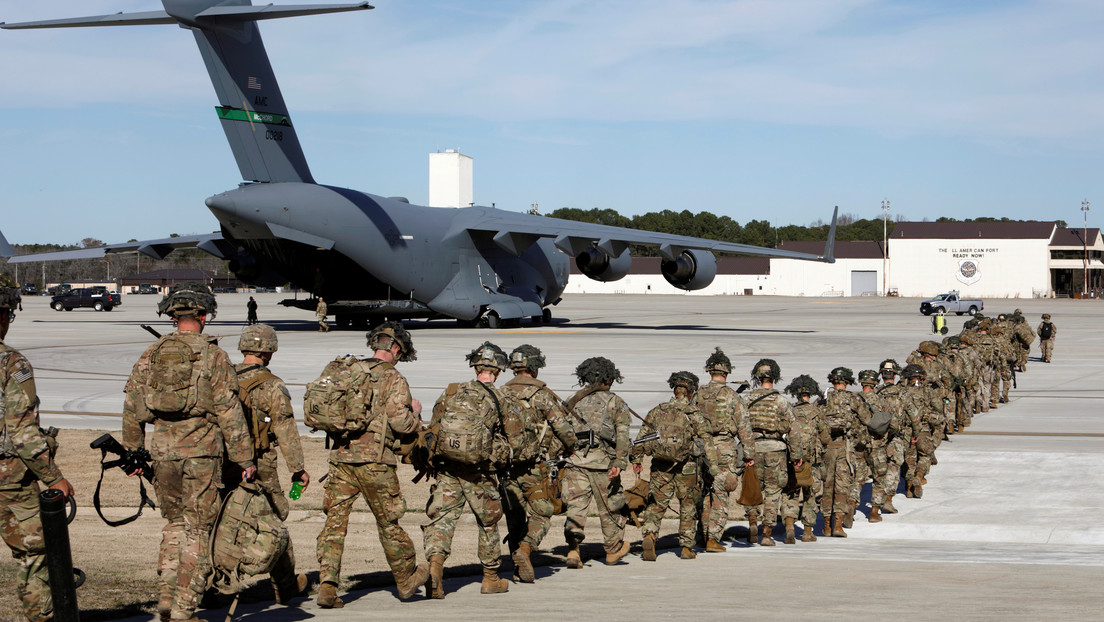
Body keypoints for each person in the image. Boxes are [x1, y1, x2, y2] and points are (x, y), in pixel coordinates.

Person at [122, 282, 256, 622]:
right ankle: (184, 611)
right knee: (198, 530)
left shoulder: (152, 354)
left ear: (172, 316)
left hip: (163, 451)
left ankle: (167, 598)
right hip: (202, 453)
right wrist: (245, 459)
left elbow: (131, 404)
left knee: (174, 525)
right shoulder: (214, 355)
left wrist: (134, 451)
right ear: (204, 316)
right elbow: (229, 411)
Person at [316, 322, 429, 607]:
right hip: (375, 462)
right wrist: (415, 414)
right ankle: (405, 580)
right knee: (389, 523)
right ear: (394, 348)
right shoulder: (393, 377)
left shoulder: (347, 370)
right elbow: (400, 423)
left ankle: (327, 586)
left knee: (334, 523)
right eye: (400, 352)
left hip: (341, 457)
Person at [0, 281, 76, 622]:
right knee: (35, 554)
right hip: (9, 481)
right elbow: (21, 432)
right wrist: (54, 478)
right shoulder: (10, 363)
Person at [423, 342, 519, 597]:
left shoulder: (451, 392)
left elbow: (434, 428)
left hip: (449, 469)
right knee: (488, 524)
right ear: (498, 371)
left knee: (442, 521)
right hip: (481, 473)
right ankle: (490, 578)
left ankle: (435, 574)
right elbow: (516, 440)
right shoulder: (501, 398)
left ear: (475, 367)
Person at [230, 324, 310, 604]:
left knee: (219, 521)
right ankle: (285, 584)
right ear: (269, 351)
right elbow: (285, 429)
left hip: (224, 463)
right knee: (275, 519)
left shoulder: (223, 378)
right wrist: (298, 469)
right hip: (259, 463)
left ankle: (207, 586)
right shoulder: (271, 384)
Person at [500, 345, 578, 583]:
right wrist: (572, 446)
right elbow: (563, 428)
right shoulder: (542, 394)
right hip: (534, 467)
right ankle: (525, 549)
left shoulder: (500, 392)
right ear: (534, 366)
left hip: (505, 467)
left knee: (514, 516)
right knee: (542, 512)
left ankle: (517, 568)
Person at [632, 371, 722, 560]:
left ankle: (649, 534)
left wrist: (637, 460)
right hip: (687, 468)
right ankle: (687, 547)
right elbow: (707, 441)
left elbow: (642, 437)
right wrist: (713, 466)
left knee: (656, 504)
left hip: (660, 466)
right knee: (688, 506)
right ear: (690, 392)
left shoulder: (658, 410)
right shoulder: (694, 414)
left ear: (674, 391)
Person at [561, 357, 632, 569]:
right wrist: (620, 461)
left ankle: (573, 550)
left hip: (576, 463)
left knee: (576, 509)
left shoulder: (573, 400)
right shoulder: (615, 402)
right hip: (604, 465)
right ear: (608, 377)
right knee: (611, 508)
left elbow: (561, 429)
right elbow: (623, 433)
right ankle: (612, 550)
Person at [691, 348, 755, 552]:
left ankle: (701, 535)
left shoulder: (698, 393)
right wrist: (749, 454)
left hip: (701, 448)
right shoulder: (730, 396)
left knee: (704, 494)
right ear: (726, 373)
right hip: (724, 449)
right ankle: (714, 537)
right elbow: (744, 426)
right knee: (720, 493)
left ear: (710, 371)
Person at [741, 359, 802, 546]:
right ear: (775, 377)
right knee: (773, 492)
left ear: (757, 377)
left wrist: (746, 452)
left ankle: (752, 522)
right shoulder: (781, 401)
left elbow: (741, 427)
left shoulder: (747, 400)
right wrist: (796, 456)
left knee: (753, 487)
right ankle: (766, 533)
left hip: (755, 449)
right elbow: (793, 430)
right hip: (776, 450)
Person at [820, 367, 871, 537]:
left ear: (832, 381)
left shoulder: (823, 399)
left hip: (827, 448)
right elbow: (866, 419)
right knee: (842, 486)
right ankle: (838, 525)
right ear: (847, 382)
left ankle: (826, 525)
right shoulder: (853, 399)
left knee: (827, 486)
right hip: (845, 447)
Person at [783, 375, 829, 541]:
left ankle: (789, 525)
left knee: (791, 494)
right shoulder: (817, 412)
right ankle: (808, 532)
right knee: (810, 495)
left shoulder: (791, 410)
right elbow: (825, 437)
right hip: (812, 462)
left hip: (793, 461)